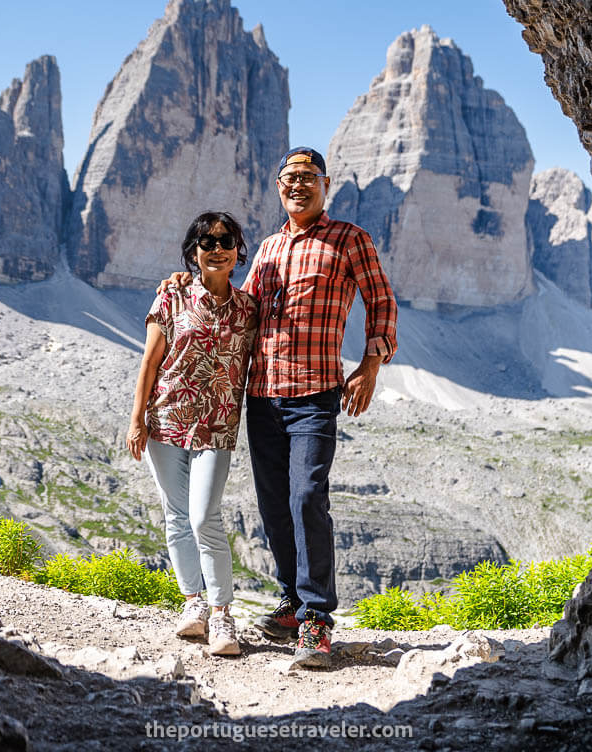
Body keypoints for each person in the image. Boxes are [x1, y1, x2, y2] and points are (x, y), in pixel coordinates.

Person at [163, 147, 397, 668]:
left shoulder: (349, 239)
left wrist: (370, 365)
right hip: (262, 395)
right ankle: (291, 600)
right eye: (289, 177)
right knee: (273, 505)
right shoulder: (266, 249)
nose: (298, 185)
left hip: (316, 395)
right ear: (277, 186)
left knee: (307, 496)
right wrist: (185, 281)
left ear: (325, 183)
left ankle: (316, 617)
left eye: (308, 177)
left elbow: (381, 300)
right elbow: (236, 305)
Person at [127, 212, 258, 657]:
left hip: (217, 428)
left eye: (226, 241)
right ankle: (193, 606)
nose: (216, 248)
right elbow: (149, 361)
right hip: (165, 421)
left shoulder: (249, 309)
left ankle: (222, 614)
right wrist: (136, 419)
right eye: (207, 242)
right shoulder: (171, 297)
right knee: (177, 518)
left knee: (204, 517)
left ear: (239, 251)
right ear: (194, 251)